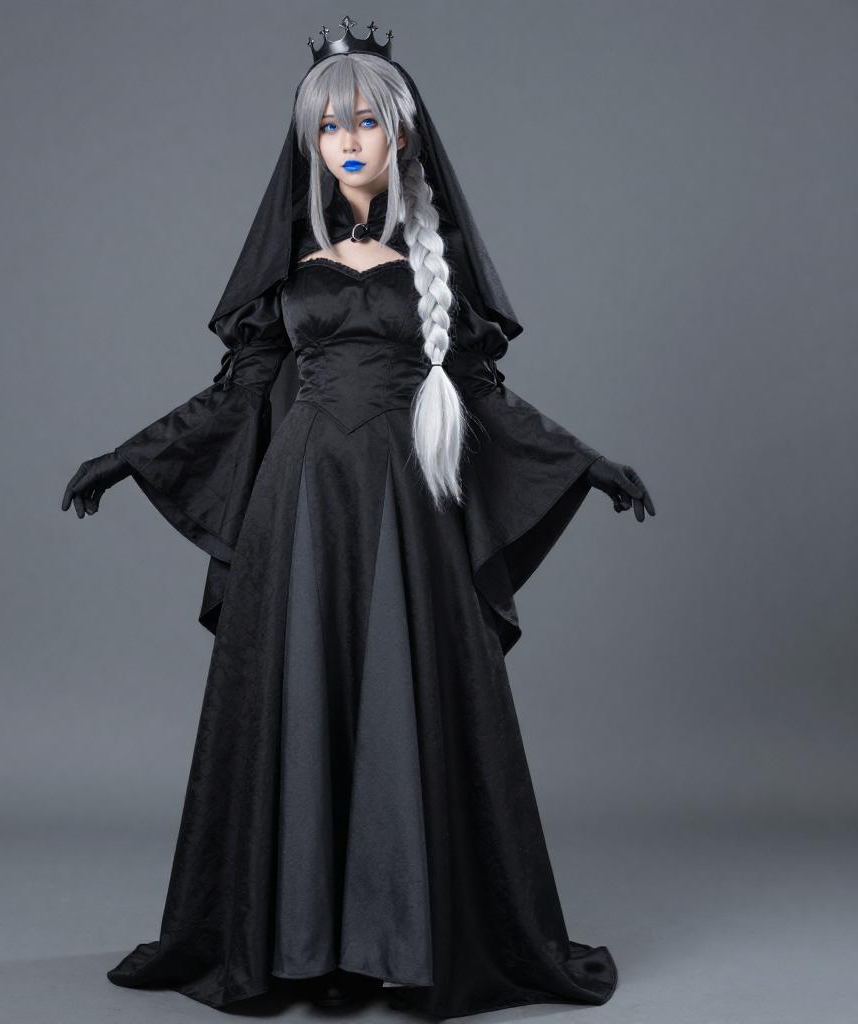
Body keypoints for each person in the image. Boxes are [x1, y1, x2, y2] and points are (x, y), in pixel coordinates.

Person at [62, 15, 655, 1018]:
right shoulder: (288, 266)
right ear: (310, 139)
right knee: (302, 701)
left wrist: (585, 463)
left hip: (407, 513)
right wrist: (128, 456)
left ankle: (402, 938)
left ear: (401, 134)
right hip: (298, 510)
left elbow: (485, 397)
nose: (346, 140)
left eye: (365, 123)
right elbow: (234, 396)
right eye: (329, 125)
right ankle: (303, 947)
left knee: (402, 702)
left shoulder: (438, 263)